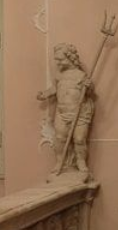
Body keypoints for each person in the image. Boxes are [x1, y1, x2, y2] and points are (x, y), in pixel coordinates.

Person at [39, 43, 95, 175]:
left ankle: (81, 162)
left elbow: (90, 93)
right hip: (62, 112)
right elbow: (55, 89)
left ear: (70, 58)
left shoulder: (81, 75)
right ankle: (60, 162)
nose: (58, 62)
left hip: (80, 112)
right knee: (59, 138)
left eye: (60, 59)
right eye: (56, 60)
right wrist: (44, 94)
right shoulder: (59, 76)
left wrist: (89, 86)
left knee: (80, 139)